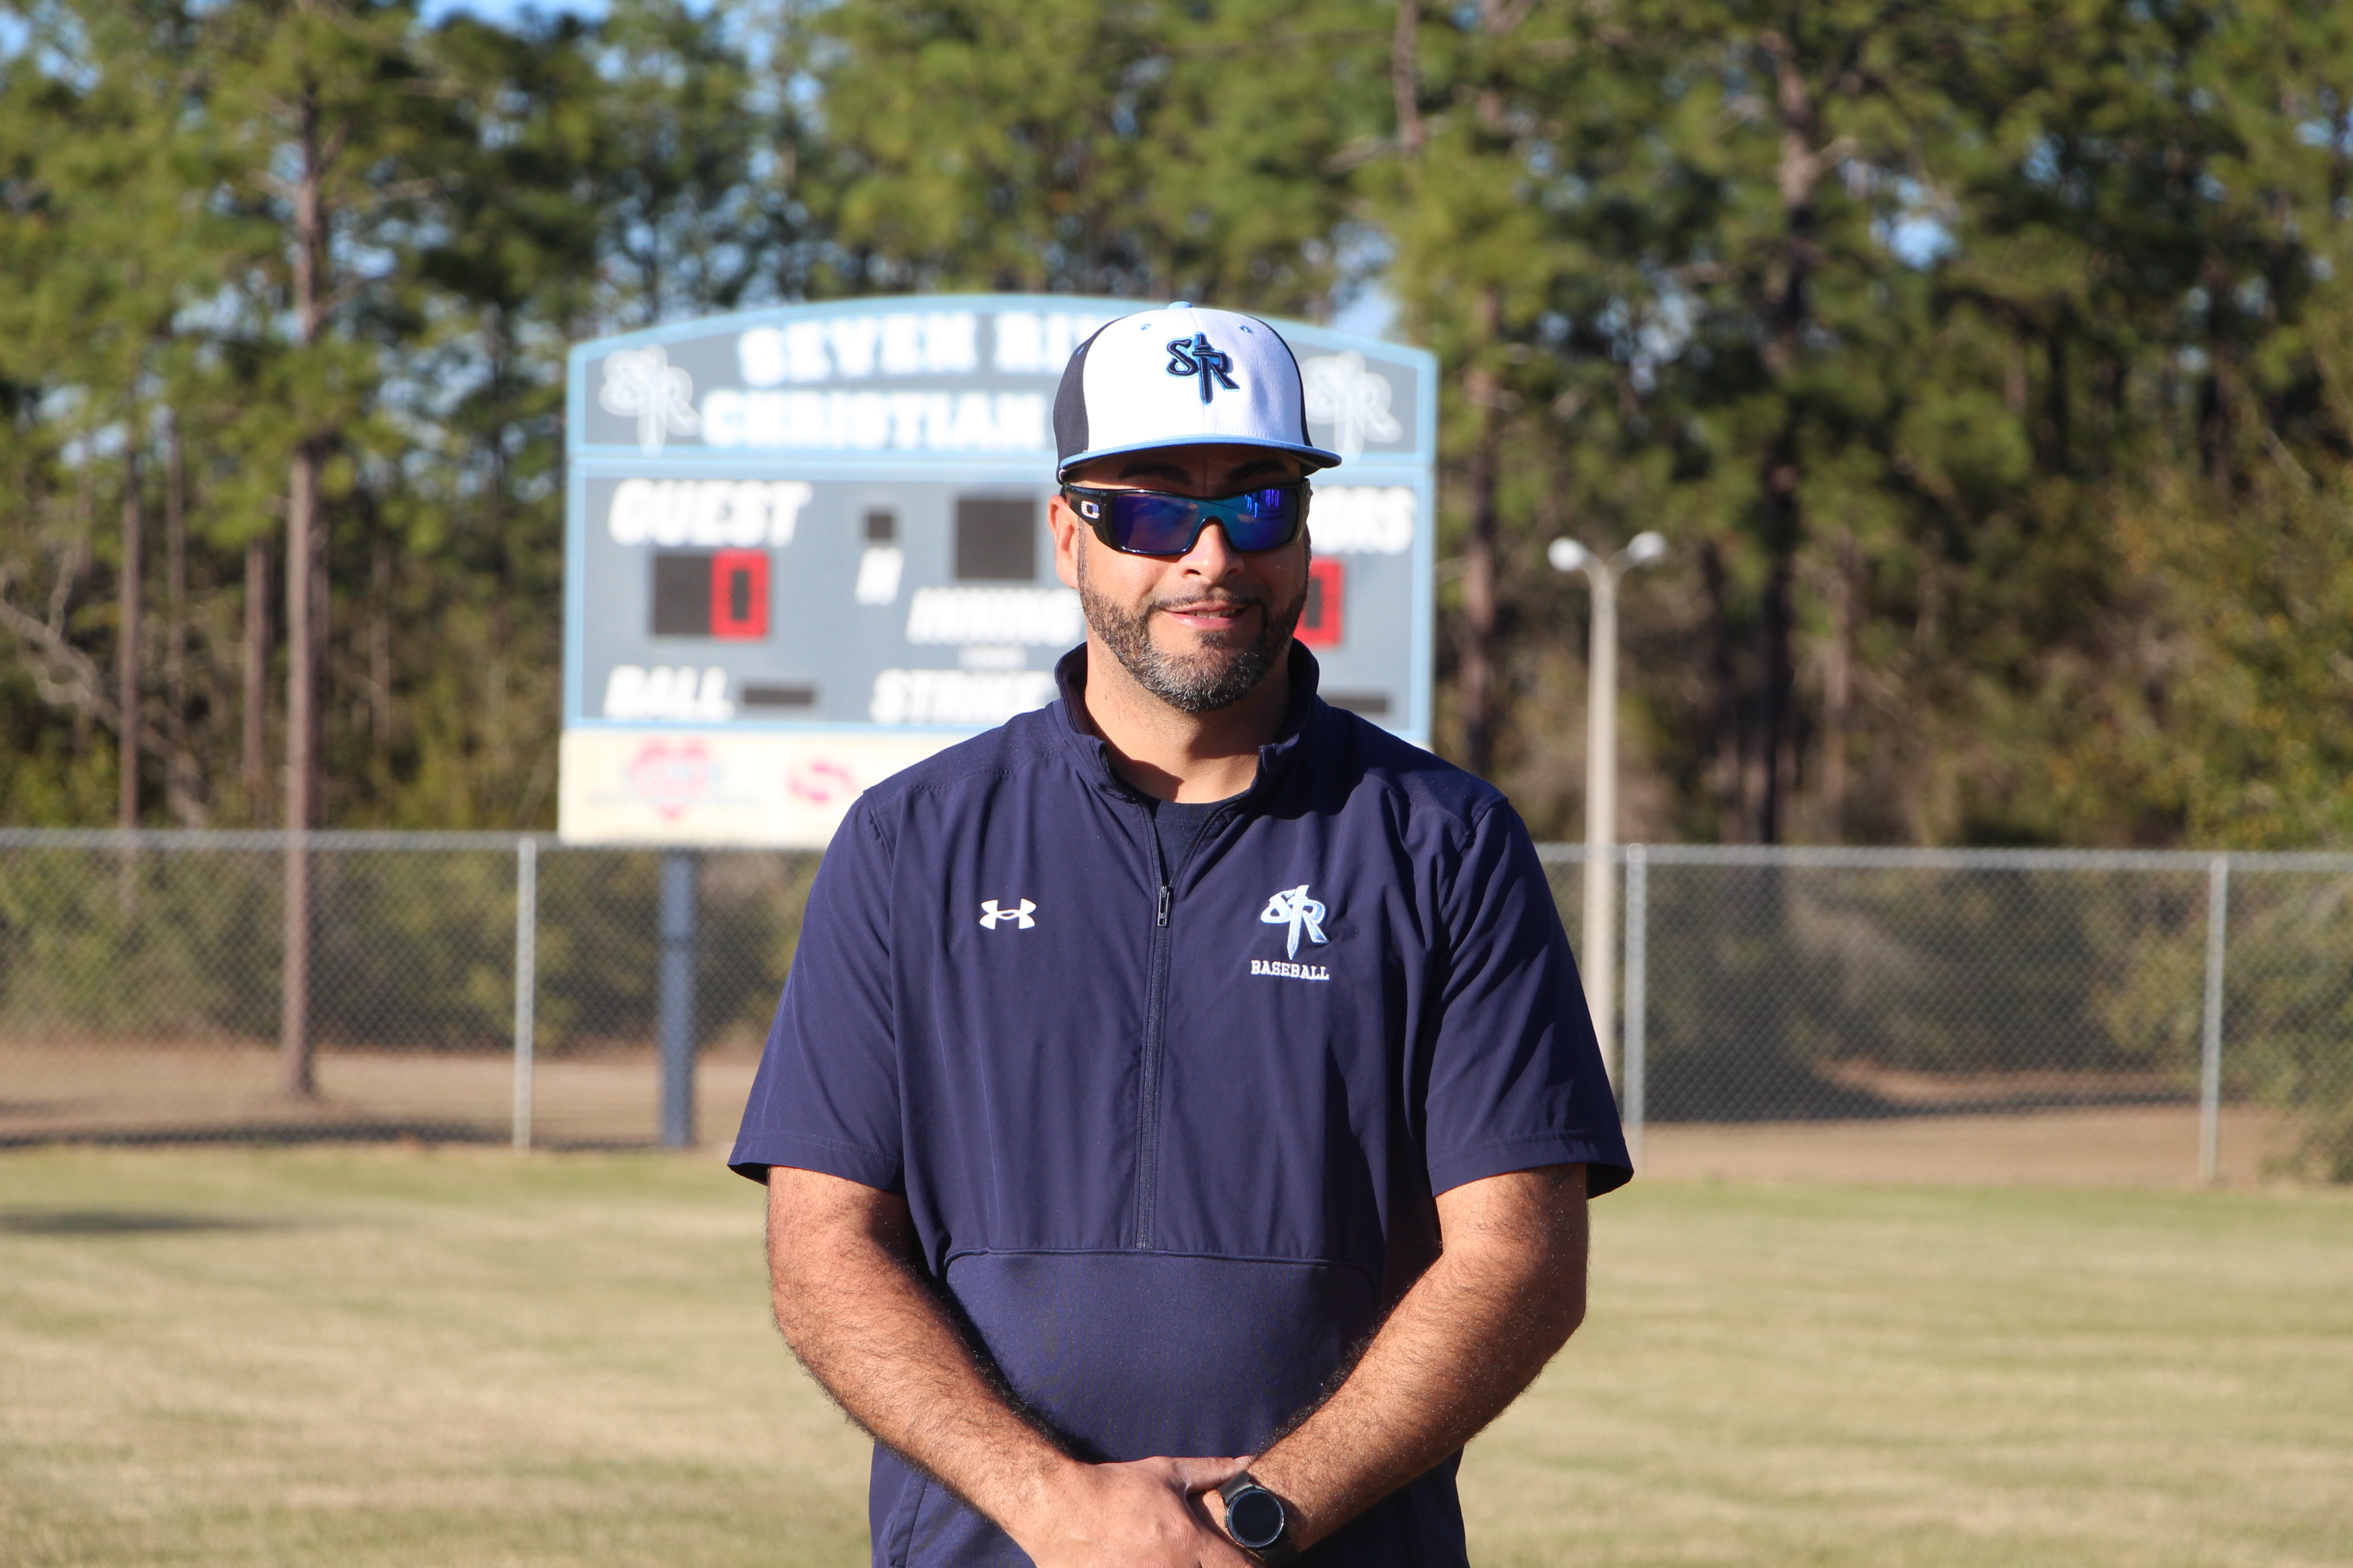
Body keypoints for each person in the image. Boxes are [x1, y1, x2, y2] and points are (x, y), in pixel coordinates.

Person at [730, 302, 1631, 1567]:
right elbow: (821, 1253)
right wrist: (1053, 1506)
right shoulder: (910, 843)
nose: (1209, 555)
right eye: (1150, 509)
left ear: (1303, 534)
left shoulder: (1444, 840)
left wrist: (1262, 1517)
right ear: (1067, 534)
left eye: (1255, 503)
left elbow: (1520, 1258)